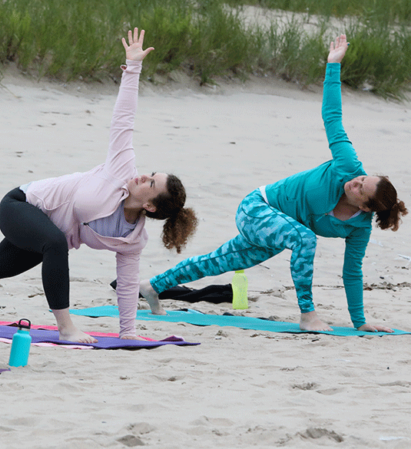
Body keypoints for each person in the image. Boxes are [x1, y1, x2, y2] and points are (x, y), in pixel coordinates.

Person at [0, 28, 199, 343]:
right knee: (56, 245)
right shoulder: (122, 168)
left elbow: (128, 285)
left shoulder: (132, 240)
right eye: (150, 173)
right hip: (22, 205)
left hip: (46, 233)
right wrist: (133, 69)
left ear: (150, 206)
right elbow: (124, 119)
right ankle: (66, 328)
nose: (143, 176)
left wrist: (128, 333)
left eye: (151, 182)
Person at [140, 34, 407, 333]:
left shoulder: (358, 228)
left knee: (216, 262)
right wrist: (333, 66)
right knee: (305, 239)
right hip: (257, 207)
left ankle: (153, 286)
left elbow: (352, 273)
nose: (354, 182)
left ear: (366, 207)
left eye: (361, 189)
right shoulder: (347, 164)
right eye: (361, 179)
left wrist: (360, 322)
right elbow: (332, 116)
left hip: (277, 231)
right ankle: (308, 314)